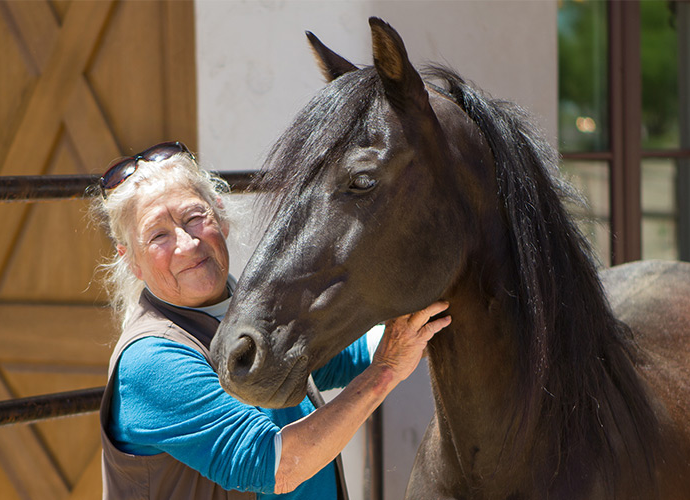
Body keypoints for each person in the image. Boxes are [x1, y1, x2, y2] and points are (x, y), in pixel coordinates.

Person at [92, 141, 452, 500]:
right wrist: (386, 371)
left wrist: (434, 315)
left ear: (220, 215)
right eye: (158, 235)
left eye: (194, 217)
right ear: (131, 260)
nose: (187, 244)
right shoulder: (150, 360)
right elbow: (274, 465)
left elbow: (334, 356)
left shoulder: (242, 310)